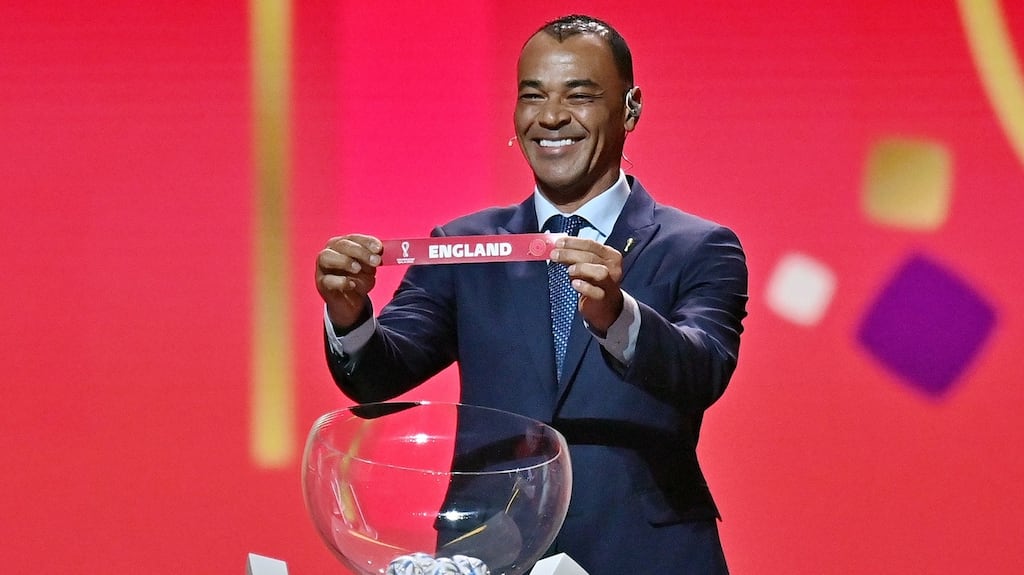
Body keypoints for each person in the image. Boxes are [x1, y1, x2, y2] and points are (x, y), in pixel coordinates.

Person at [315, 14, 747, 574]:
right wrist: (349, 313)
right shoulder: (464, 245)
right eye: (533, 95)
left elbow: (702, 370)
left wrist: (617, 316)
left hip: (642, 554)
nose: (551, 116)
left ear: (631, 108)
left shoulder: (699, 246)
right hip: (493, 554)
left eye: (580, 95)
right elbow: (379, 376)